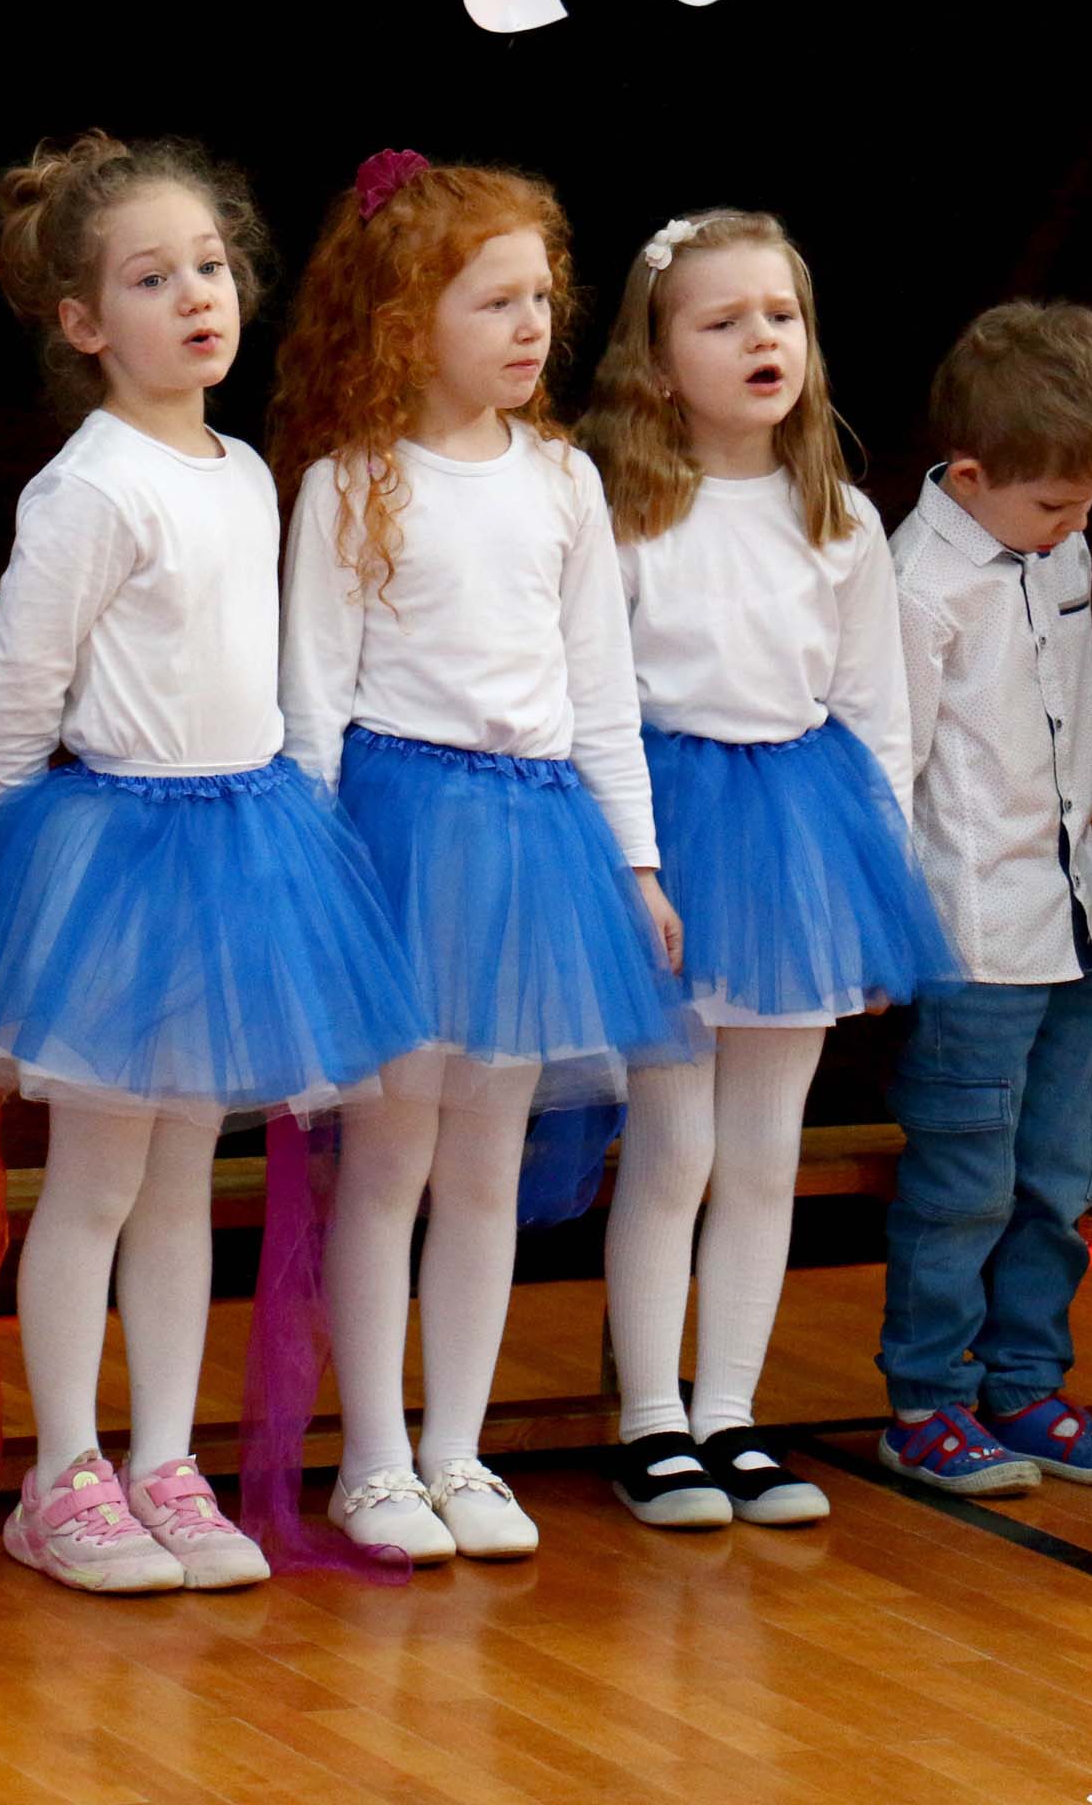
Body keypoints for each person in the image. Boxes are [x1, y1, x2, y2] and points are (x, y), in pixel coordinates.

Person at [0, 133, 421, 1593]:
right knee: (95, 1178)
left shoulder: (245, 469)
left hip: (241, 846)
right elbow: (15, 688)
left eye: (209, 267)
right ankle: (63, 1472)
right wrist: (38, 869)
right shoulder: (90, 487)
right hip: (118, 856)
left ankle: (163, 1461)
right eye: (151, 279)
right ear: (83, 322)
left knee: (189, 1173)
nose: (196, 296)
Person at [274, 150, 690, 1562]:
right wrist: (316, 882)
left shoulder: (564, 480)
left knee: (487, 1166)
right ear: (407, 316)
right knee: (387, 1161)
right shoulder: (355, 482)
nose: (530, 328)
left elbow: (601, 691)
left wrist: (636, 864)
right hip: (400, 840)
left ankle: (458, 1446)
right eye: (494, 301)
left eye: (540, 300)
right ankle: (375, 1461)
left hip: (534, 844)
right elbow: (312, 700)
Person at [581, 209, 952, 1531]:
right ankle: (650, 1420)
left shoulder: (837, 517)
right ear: (656, 355)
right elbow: (596, 699)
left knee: (763, 1149)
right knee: (672, 1141)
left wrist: (871, 885)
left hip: (802, 839)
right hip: (673, 841)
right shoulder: (623, 512)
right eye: (724, 319)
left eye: (781, 316)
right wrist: (629, 864)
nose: (762, 341)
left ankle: (730, 1412)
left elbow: (878, 714)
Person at [878, 301, 1092, 1493]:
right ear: (973, 473)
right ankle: (927, 1400)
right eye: (1056, 504)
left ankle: (1025, 1383)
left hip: (1072, 925)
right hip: (973, 939)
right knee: (964, 1185)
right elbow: (890, 768)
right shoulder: (917, 583)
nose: (1078, 523)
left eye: (1091, 502)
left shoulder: (1063, 547)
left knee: (1058, 1177)